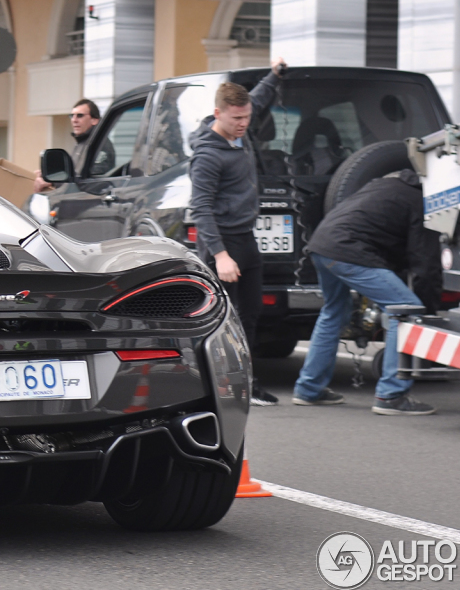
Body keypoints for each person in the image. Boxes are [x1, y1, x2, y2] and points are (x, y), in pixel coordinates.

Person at [292, 170, 442, 415]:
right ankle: (391, 395)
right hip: (349, 251)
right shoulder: (424, 204)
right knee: (405, 310)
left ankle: (309, 390)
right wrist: (429, 314)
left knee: (333, 311)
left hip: (322, 244)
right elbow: (425, 266)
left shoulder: (385, 183)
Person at [188, 59, 286, 406]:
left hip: (246, 238)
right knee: (222, 321)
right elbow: (201, 209)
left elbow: (256, 100)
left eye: (246, 117)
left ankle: (246, 382)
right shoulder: (208, 156)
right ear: (219, 113)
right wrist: (220, 256)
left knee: (253, 312)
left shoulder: (240, 129)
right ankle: (216, 387)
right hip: (223, 247)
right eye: (237, 119)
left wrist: (274, 75)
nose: (244, 123)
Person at [33, 98, 102, 192]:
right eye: (72, 116)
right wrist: (49, 176)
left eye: (80, 115)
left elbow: (90, 183)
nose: (74, 120)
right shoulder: (81, 143)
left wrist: (53, 182)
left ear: (94, 120)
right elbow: (73, 176)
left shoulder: (99, 145)